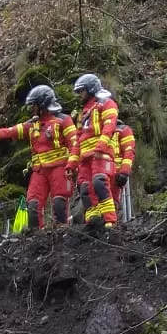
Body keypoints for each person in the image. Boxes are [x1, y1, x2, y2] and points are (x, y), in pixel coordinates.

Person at [0, 86, 78, 231]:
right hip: (39, 171)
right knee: (33, 205)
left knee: (59, 203)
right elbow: (9, 132)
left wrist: (72, 164)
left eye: (34, 105)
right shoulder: (32, 125)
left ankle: (62, 232)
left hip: (60, 168)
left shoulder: (63, 120)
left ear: (43, 105)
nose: (31, 109)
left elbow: (75, 144)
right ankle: (37, 237)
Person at [71, 73, 119, 230]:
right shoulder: (83, 113)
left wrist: (100, 147)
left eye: (81, 91)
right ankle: (93, 220)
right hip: (85, 157)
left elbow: (109, 127)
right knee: (84, 188)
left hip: (101, 154)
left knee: (99, 182)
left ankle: (110, 220)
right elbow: (77, 140)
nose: (79, 95)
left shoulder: (107, 104)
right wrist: (71, 163)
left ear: (90, 89)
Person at [111, 118, 137, 224]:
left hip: (116, 172)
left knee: (112, 202)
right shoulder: (97, 130)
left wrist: (124, 171)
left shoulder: (123, 130)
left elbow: (129, 151)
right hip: (100, 171)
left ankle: (113, 226)